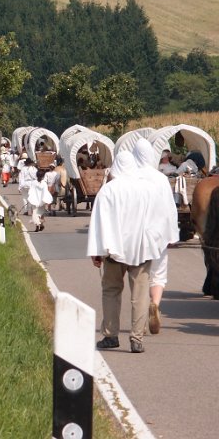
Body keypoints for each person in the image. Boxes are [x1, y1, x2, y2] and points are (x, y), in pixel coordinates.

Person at [87, 150, 172, 353]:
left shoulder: (108, 190)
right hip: (141, 250)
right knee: (140, 295)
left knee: (111, 291)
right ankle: (137, 339)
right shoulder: (147, 190)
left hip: (114, 251)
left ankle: (110, 335)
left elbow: (99, 223)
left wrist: (96, 252)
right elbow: (157, 220)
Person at [133, 138, 179, 334]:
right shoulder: (160, 178)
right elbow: (170, 208)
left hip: (136, 235)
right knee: (159, 274)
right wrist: (172, 234)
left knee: (140, 276)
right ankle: (155, 304)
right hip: (158, 233)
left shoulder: (131, 176)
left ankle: (141, 317)